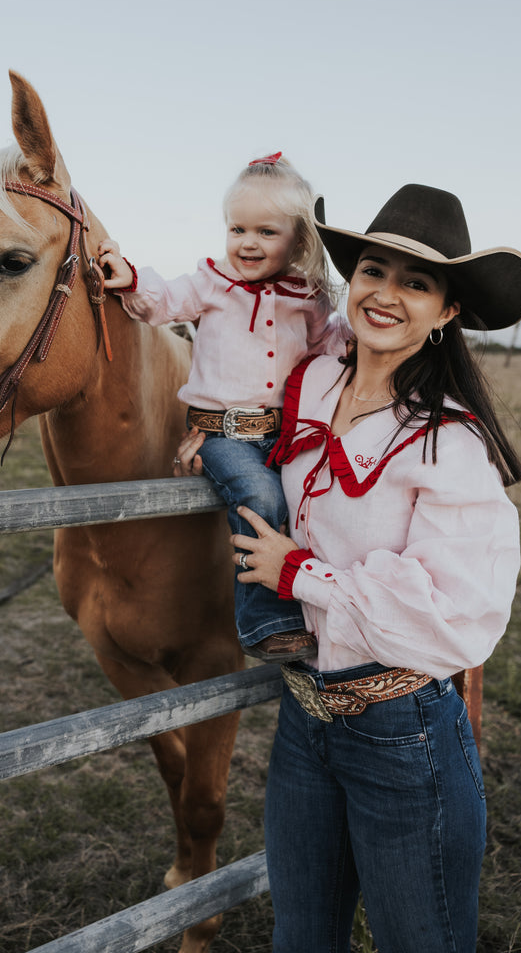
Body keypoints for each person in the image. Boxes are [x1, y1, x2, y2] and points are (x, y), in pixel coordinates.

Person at [173, 183, 521, 952]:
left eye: (418, 283)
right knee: (301, 937)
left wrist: (298, 574)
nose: (388, 294)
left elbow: (457, 610)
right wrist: (211, 431)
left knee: (421, 943)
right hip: (305, 716)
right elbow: (243, 352)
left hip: (402, 731)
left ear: (448, 313)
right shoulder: (318, 378)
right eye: (374, 270)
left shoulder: (449, 443)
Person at [98, 153, 349, 662]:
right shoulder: (211, 283)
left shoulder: (309, 296)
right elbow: (162, 301)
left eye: (266, 232)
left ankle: (320, 610)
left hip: (282, 434)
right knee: (262, 499)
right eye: (237, 229)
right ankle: (264, 624)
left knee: (313, 508)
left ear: (299, 240)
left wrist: (361, 340)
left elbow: (330, 346)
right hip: (222, 435)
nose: (247, 243)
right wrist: (128, 277)